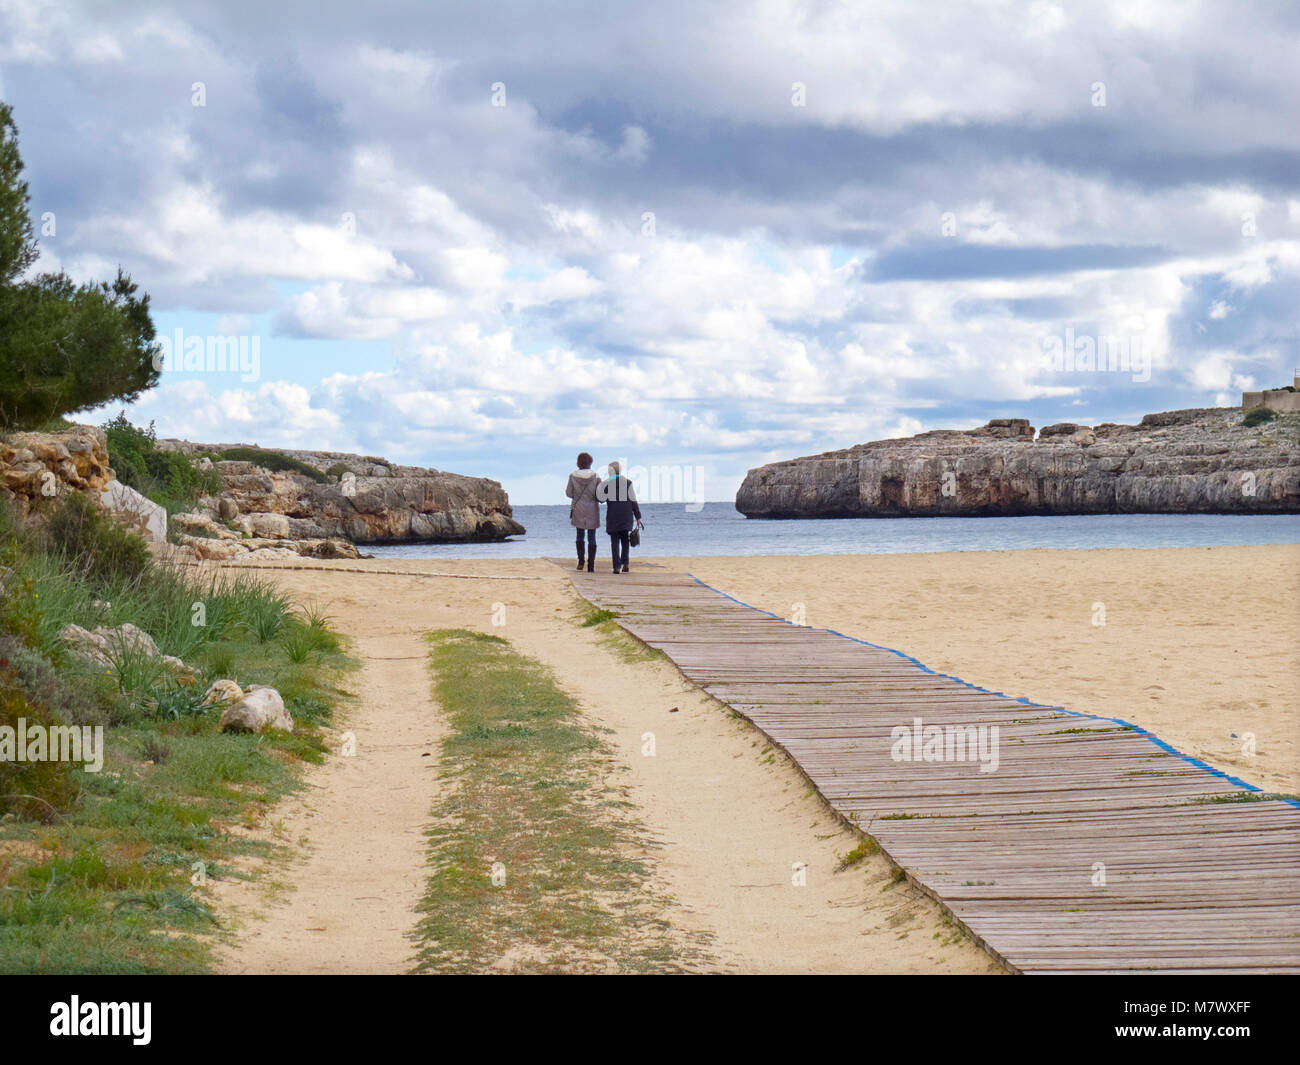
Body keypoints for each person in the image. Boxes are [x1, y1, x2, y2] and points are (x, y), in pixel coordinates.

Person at [598, 460, 643, 574]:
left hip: (613, 515)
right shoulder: (628, 483)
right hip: (626, 515)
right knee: (625, 540)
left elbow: (601, 500)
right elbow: (633, 500)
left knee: (614, 541)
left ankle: (616, 567)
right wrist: (638, 516)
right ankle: (626, 564)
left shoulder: (606, 484)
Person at [566, 452, 601, 572]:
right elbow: (600, 495)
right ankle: (591, 565)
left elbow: (568, 493)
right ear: (590, 462)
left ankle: (581, 561)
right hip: (592, 508)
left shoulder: (572, 476)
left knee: (579, 535)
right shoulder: (596, 477)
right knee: (592, 537)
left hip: (578, 508)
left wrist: (577, 496)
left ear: (578, 463)